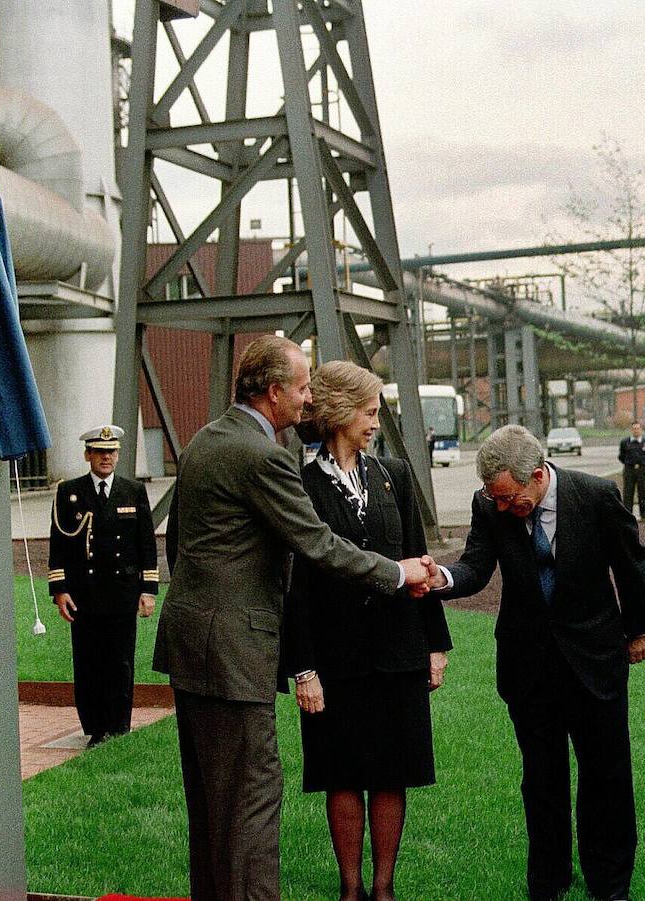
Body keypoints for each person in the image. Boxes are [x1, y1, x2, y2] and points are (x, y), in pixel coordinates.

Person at [152, 336, 436, 901]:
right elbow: (318, 546)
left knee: (211, 804)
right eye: (304, 388)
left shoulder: (208, 439)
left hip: (191, 644)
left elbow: (179, 544)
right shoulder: (263, 456)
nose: (309, 400)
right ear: (274, 392)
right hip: (234, 651)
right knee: (254, 798)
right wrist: (399, 574)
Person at [429, 424, 645, 901]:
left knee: (607, 774)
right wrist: (442, 577)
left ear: (536, 475)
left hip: (595, 659)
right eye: (497, 500)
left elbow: (630, 563)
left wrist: (638, 629)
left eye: (512, 499)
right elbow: (476, 566)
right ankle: (547, 881)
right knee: (542, 779)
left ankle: (609, 883)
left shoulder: (595, 496)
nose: (505, 508)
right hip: (528, 665)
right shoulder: (488, 504)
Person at [282, 361, 453, 901]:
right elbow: (295, 586)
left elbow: (416, 562)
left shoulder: (394, 476)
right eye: (369, 412)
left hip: (398, 651)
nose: (376, 422)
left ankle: (384, 890)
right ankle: (350, 889)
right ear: (337, 413)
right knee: (341, 773)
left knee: (391, 773)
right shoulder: (300, 485)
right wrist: (303, 667)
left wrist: (434, 645)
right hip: (335, 660)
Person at [48, 424, 159, 747]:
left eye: (111, 452)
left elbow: (146, 544)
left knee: (120, 662)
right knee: (88, 662)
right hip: (85, 595)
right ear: (88, 455)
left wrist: (148, 590)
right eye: (99, 452)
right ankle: (95, 728)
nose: (106, 458)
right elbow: (60, 544)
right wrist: (60, 590)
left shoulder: (132, 491)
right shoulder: (69, 492)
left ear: (118, 455)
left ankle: (119, 727)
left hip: (122, 593)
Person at [617, 421, 645, 521]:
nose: (636, 431)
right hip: (629, 470)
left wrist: (643, 464)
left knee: (643, 493)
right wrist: (629, 463)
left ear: (641, 430)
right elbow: (621, 456)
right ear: (631, 430)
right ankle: (627, 516)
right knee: (628, 493)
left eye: (638, 428)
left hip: (642, 470)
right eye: (634, 429)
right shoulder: (625, 442)